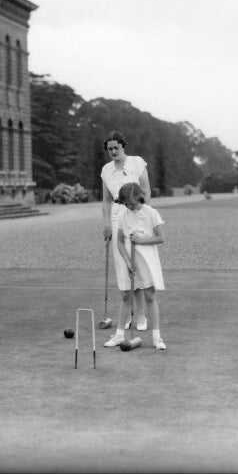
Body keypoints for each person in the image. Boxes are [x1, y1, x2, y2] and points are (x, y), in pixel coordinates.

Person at [105, 182, 167, 350]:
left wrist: (141, 240)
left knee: (149, 296)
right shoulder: (123, 215)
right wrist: (127, 261)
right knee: (126, 295)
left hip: (147, 258)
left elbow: (161, 238)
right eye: (126, 204)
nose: (129, 207)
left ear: (140, 198)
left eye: (131, 204)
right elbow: (119, 241)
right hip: (129, 258)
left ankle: (157, 338)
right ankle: (119, 336)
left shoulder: (151, 213)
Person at [100, 130, 151, 331]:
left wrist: (145, 218)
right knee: (123, 267)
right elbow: (105, 200)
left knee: (136, 265)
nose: (113, 151)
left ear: (123, 146)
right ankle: (126, 314)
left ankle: (141, 316)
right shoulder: (106, 170)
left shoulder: (137, 163)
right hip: (116, 217)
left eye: (116, 148)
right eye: (109, 149)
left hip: (136, 214)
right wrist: (105, 223)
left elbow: (146, 192)